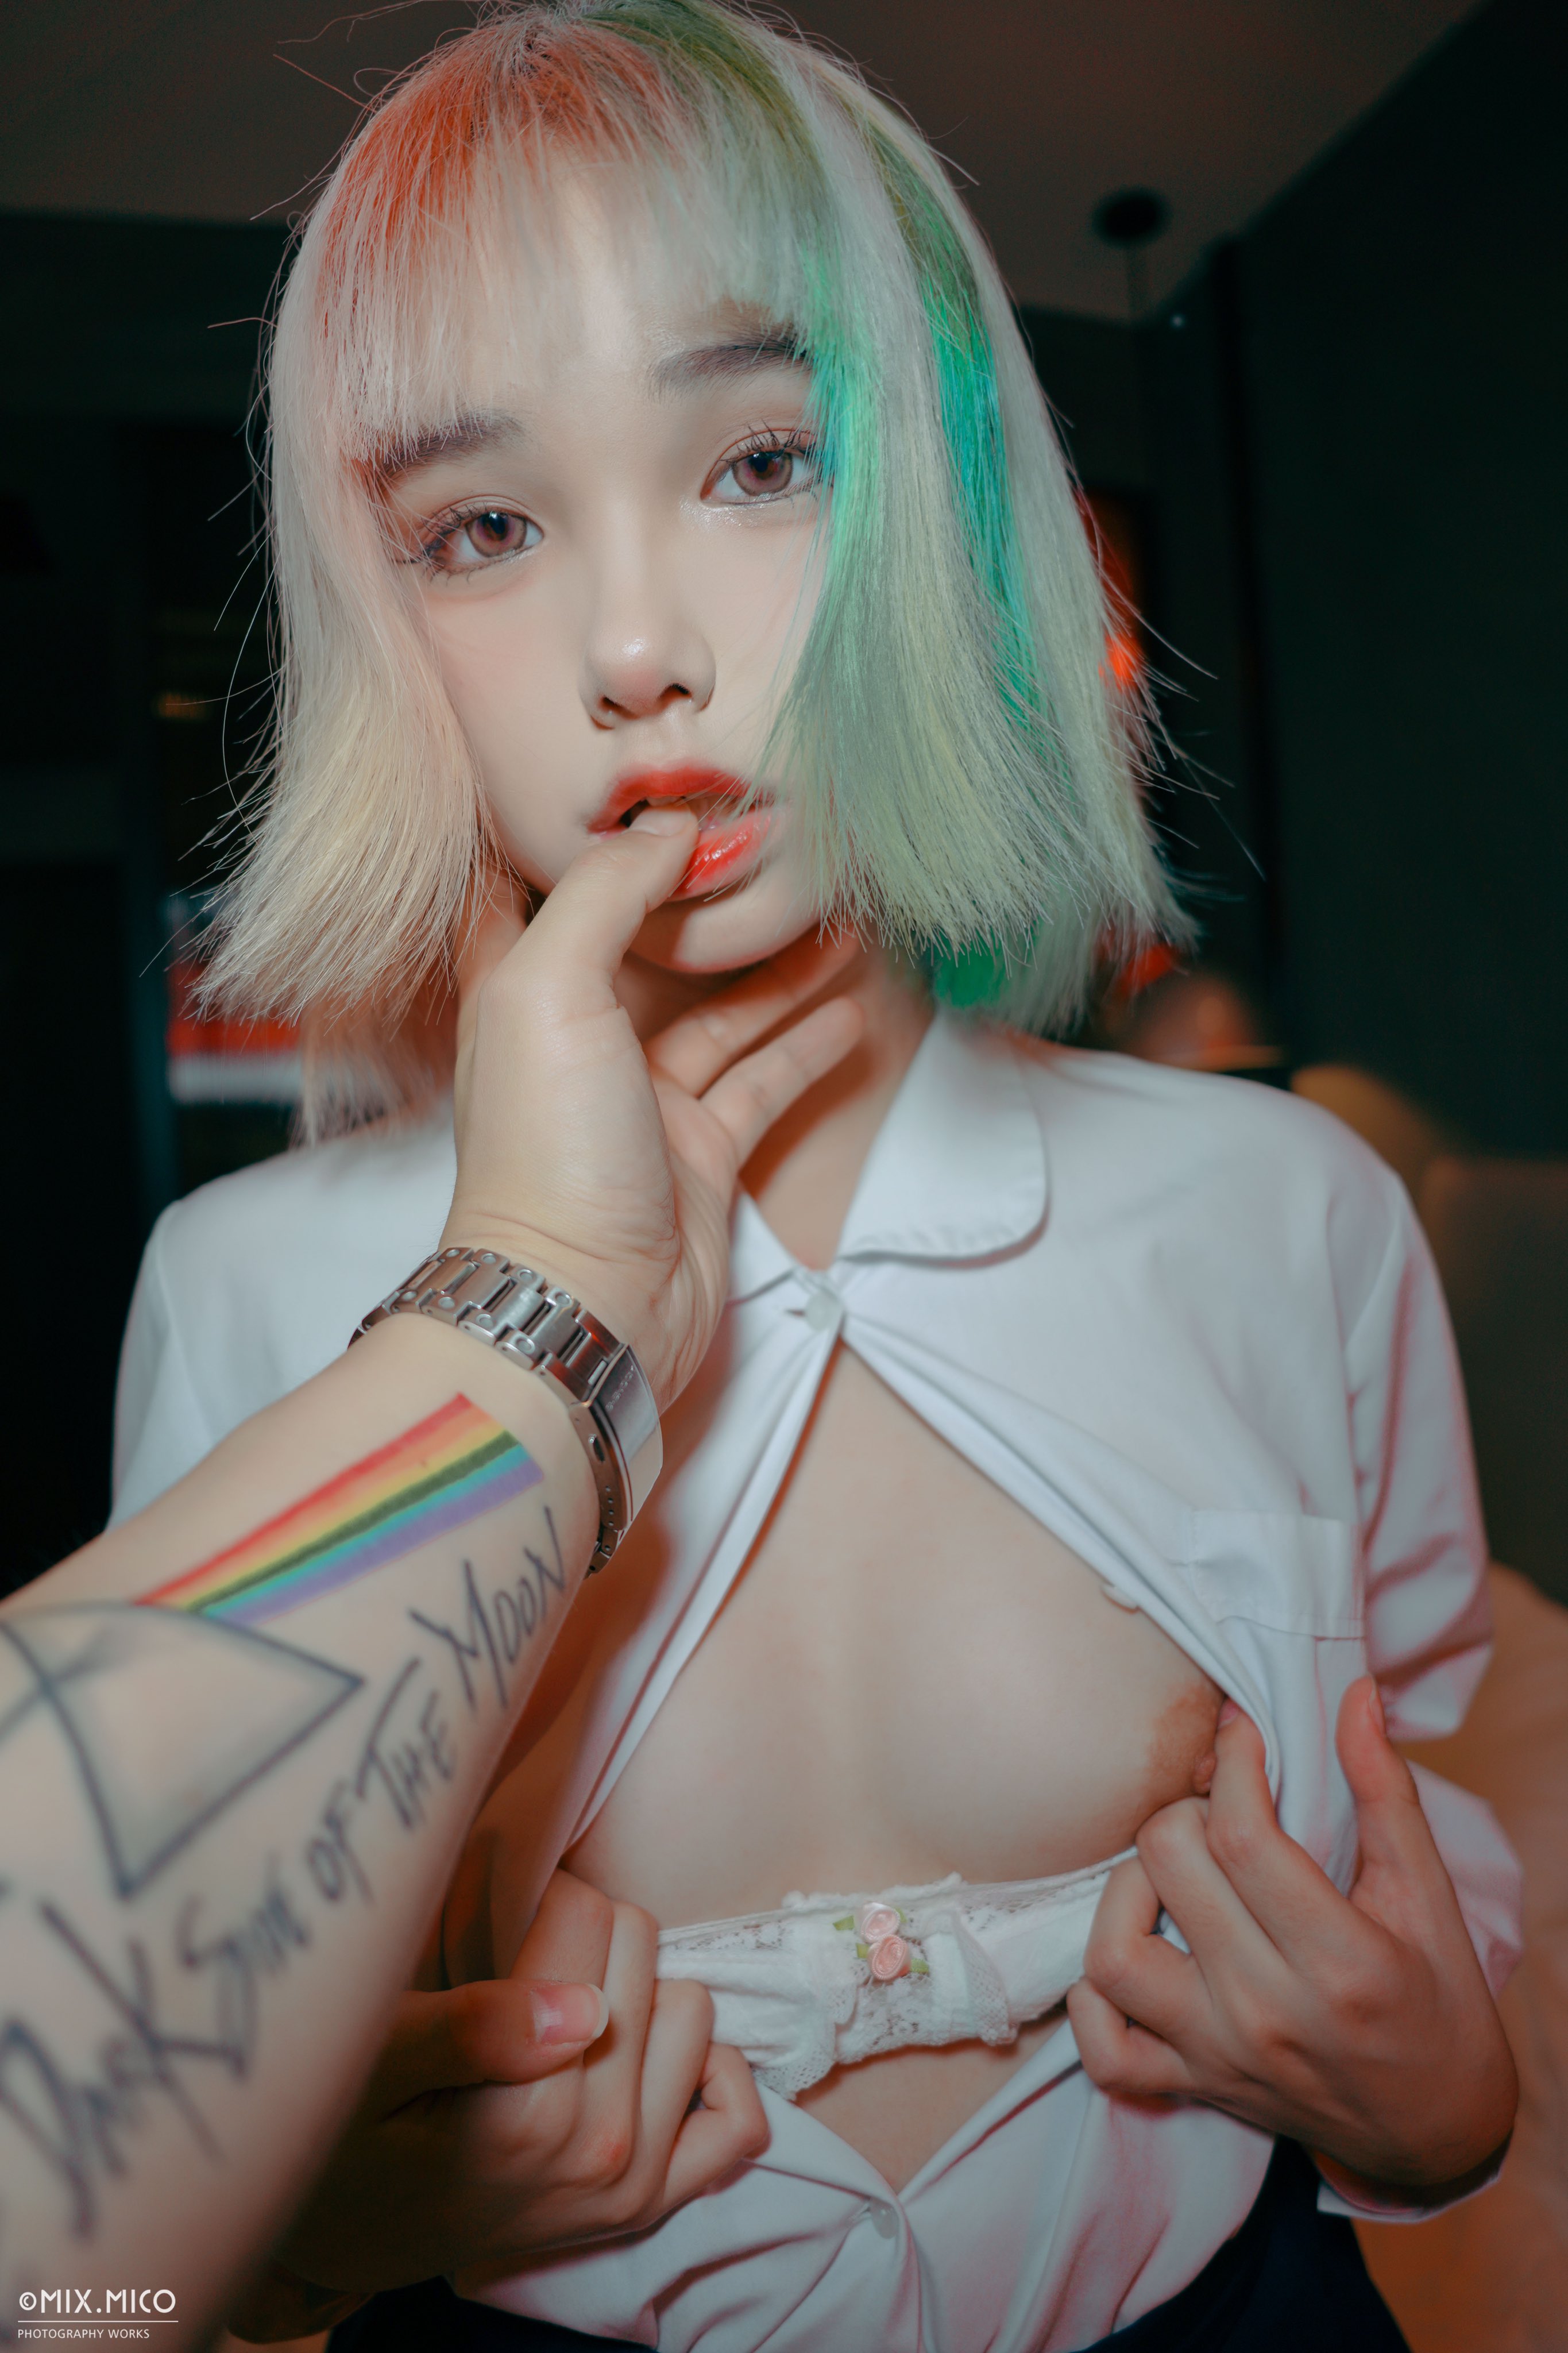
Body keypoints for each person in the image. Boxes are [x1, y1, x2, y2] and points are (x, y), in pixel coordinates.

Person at [111, 5, 1521, 2347]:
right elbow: (115, 2153)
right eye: (483, 527)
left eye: (760, 460)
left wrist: (1441, 2112)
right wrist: (294, 2245)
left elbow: (1421, 1813)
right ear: (382, 620)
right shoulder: (247, 1291)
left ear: (942, 505)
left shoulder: (1284, 1210)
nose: (633, 647)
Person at [0, 814, 858, 2338]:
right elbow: (72, 2289)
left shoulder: (1255, 1198)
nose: (644, 684)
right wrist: (281, 2252)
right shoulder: (236, 1261)